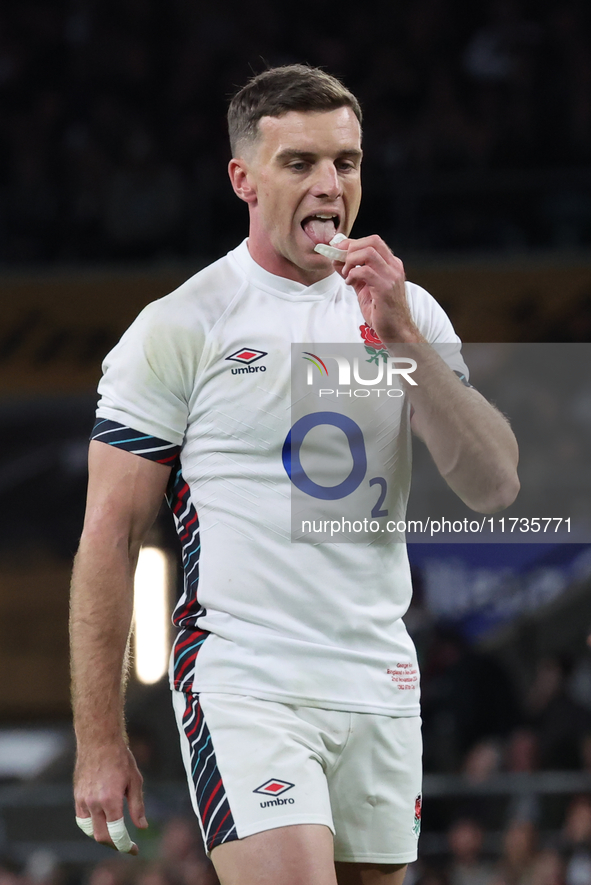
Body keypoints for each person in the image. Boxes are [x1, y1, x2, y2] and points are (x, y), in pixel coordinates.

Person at [70, 65, 519, 885]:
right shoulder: (181, 326)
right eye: (299, 163)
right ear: (243, 178)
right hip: (247, 677)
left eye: (345, 163)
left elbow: (493, 485)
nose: (328, 184)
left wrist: (404, 344)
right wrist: (100, 739)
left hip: (378, 678)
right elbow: (108, 535)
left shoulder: (406, 310)